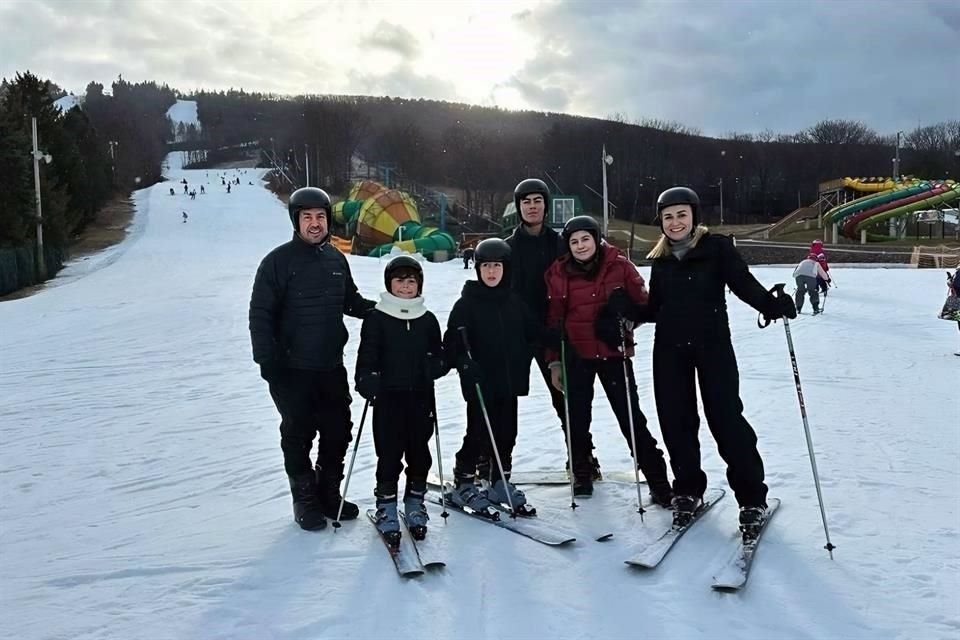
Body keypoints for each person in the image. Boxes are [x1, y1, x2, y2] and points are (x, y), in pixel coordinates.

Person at [634, 186, 796, 541]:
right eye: (668, 217)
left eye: (681, 215)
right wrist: (626, 311)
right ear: (660, 222)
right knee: (676, 421)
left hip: (713, 347)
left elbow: (743, 285)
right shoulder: (660, 260)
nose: (675, 222)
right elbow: (654, 308)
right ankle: (688, 489)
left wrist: (772, 305)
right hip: (670, 349)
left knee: (726, 420)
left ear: (694, 216)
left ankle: (752, 497)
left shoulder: (717, 248)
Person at [249, 187, 375, 531]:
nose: (315, 223)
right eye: (307, 217)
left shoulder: (336, 259)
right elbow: (260, 314)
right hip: (291, 369)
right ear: (296, 221)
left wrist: (383, 312)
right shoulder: (277, 263)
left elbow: (351, 301)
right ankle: (304, 500)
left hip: (330, 366)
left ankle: (327, 492)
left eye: (320, 216)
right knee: (298, 434)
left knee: (338, 432)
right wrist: (268, 362)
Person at [543, 215, 673, 502]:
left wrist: (625, 315)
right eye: (574, 241)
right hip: (577, 355)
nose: (580, 246)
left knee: (631, 419)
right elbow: (554, 320)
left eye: (585, 239)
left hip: (613, 353)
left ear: (596, 239)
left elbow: (644, 306)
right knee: (577, 420)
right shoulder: (558, 273)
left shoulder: (619, 265)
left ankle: (657, 478)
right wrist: (555, 361)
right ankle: (582, 471)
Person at [506, 178, 602, 480]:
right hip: (519, 333)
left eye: (537, 200)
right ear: (518, 207)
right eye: (526, 202)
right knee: (502, 397)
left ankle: (581, 457)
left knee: (566, 398)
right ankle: (489, 459)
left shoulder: (561, 244)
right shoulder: (508, 248)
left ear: (546, 206)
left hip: (554, 332)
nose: (532, 206)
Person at [444, 238, 540, 514]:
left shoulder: (514, 302)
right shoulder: (466, 304)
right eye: (485, 266)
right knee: (477, 432)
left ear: (505, 269)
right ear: (477, 269)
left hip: (509, 382)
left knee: (507, 431)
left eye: (496, 266)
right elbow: (452, 342)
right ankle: (464, 479)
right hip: (480, 383)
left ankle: (499, 480)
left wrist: (555, 334)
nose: (491, 272)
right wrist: (463, 362)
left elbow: (533, 331)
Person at [355, 256, 446, 546]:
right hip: (388, 398)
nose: (406, 287)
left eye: (411, 281)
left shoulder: (427, 319)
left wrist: (437, 364)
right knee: (390, 453)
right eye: (399, 281)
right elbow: (366, 356)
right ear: (389, 284)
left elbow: (438, 353)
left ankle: (415, 501)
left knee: (419, 451)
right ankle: (386, 505)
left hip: (420, 398)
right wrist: (367, 379)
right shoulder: (377, 318)